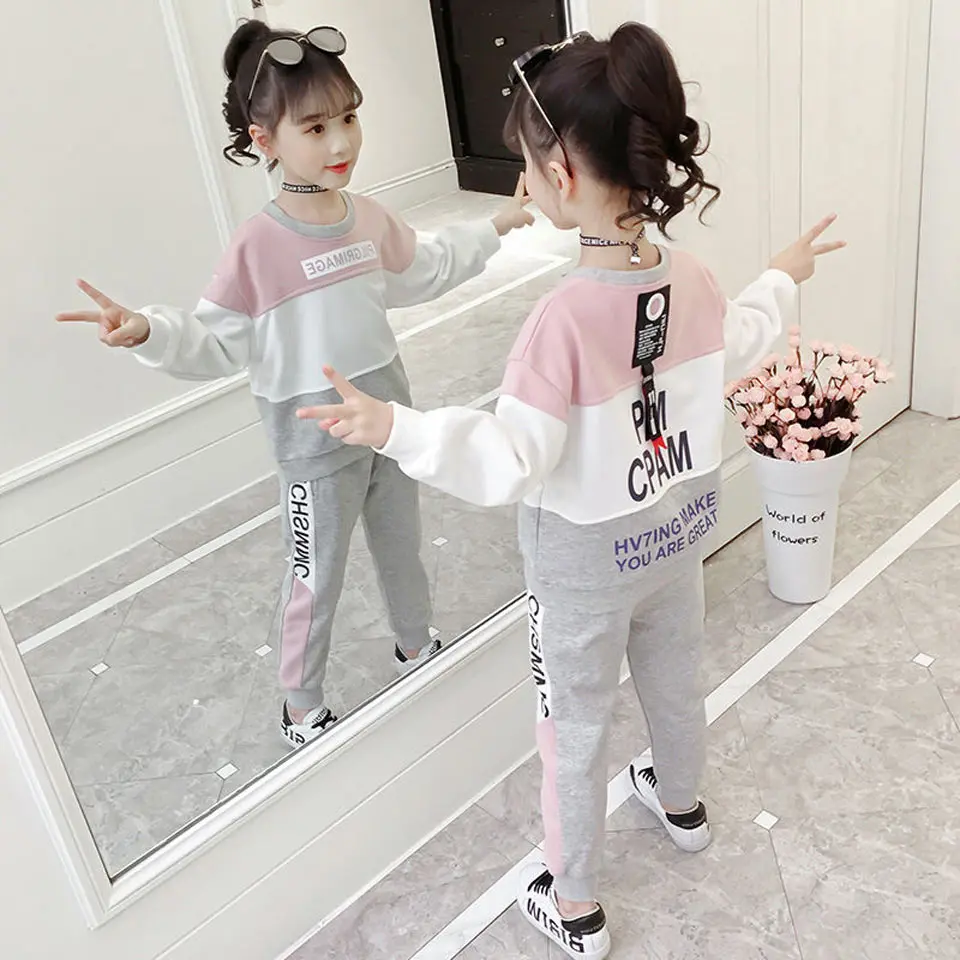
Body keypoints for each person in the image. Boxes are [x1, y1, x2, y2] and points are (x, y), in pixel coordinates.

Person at [295, 22, 845, 959]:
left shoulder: (560, 322)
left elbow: (511, 457)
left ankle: (577, 905)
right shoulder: (692, 279)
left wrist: (396, 428)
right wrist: (780, 278)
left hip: (585, 573)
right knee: (674, 683)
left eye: (526, 161)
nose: (525, 177)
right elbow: (744, 339)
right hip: (675, 539)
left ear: (560, 171)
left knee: (574, 729)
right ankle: (683, 806)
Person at [56, 20, 534, 750]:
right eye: (315, 126)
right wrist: (148, 330)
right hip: (313, 448)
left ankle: (416, 644)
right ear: (264, 139)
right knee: (317, 576)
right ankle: (300, 702)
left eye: (348, 117)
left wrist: (497, 223)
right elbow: (216, 340)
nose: (341, 142)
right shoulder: (257, 246)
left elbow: (425, 268)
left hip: (389, 422)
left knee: (402, 547)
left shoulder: (367, 218)